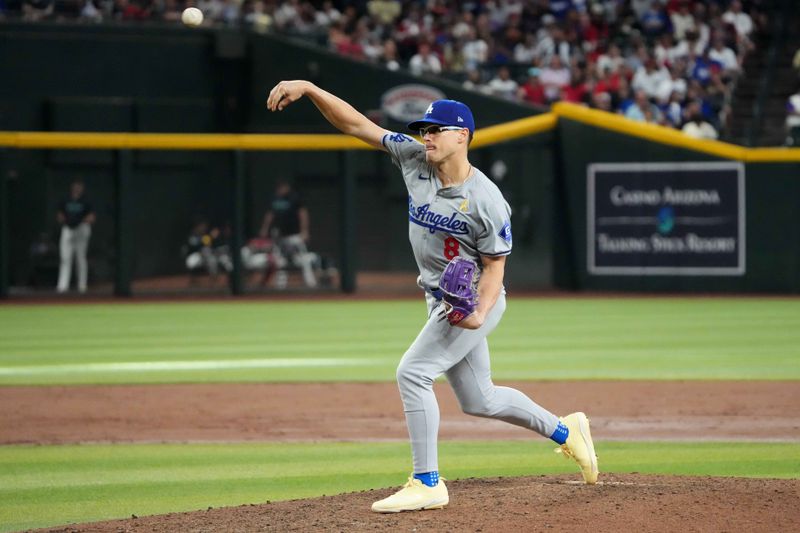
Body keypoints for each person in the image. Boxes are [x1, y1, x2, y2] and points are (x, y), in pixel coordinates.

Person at [266, 80, 598, 513]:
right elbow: (357, 125)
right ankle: (566, 430)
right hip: (441, 297)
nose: (427, 137)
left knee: (413, 373)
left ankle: (427, 482)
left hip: (473, 301)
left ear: (462, 136)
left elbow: (496, 267)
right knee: (480, 399)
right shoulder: (413, 159)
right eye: (424, 130)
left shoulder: (488, 202)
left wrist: (478, 312)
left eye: (437, 130)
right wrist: (310, 89)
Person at [259, 179, 317, 288]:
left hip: (295, 235)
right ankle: (281, 285)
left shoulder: (294, 198)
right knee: (280, 261)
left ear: (286, 187)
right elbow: (270, 214)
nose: (280, 190)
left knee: (303, 258)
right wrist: (265, 228)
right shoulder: (275, 199)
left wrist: (304, 231)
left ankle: (311, 284)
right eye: (278, 188)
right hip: (281, 235)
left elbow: (303, 214)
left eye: (282, 187)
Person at [56, 179, 95, 293]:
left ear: (82, 188)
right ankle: (62, 286)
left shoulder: (86, 201)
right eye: (75, 186)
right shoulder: (65, 199)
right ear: (72, 187)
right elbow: (59, 214)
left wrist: (81, 221)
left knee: (80, 258)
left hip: (82, 229)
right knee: (65, 258)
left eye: (79, 186)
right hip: (68, 229)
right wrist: (65, 220)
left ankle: (82, 285)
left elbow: (92, 217)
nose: (77, 188)